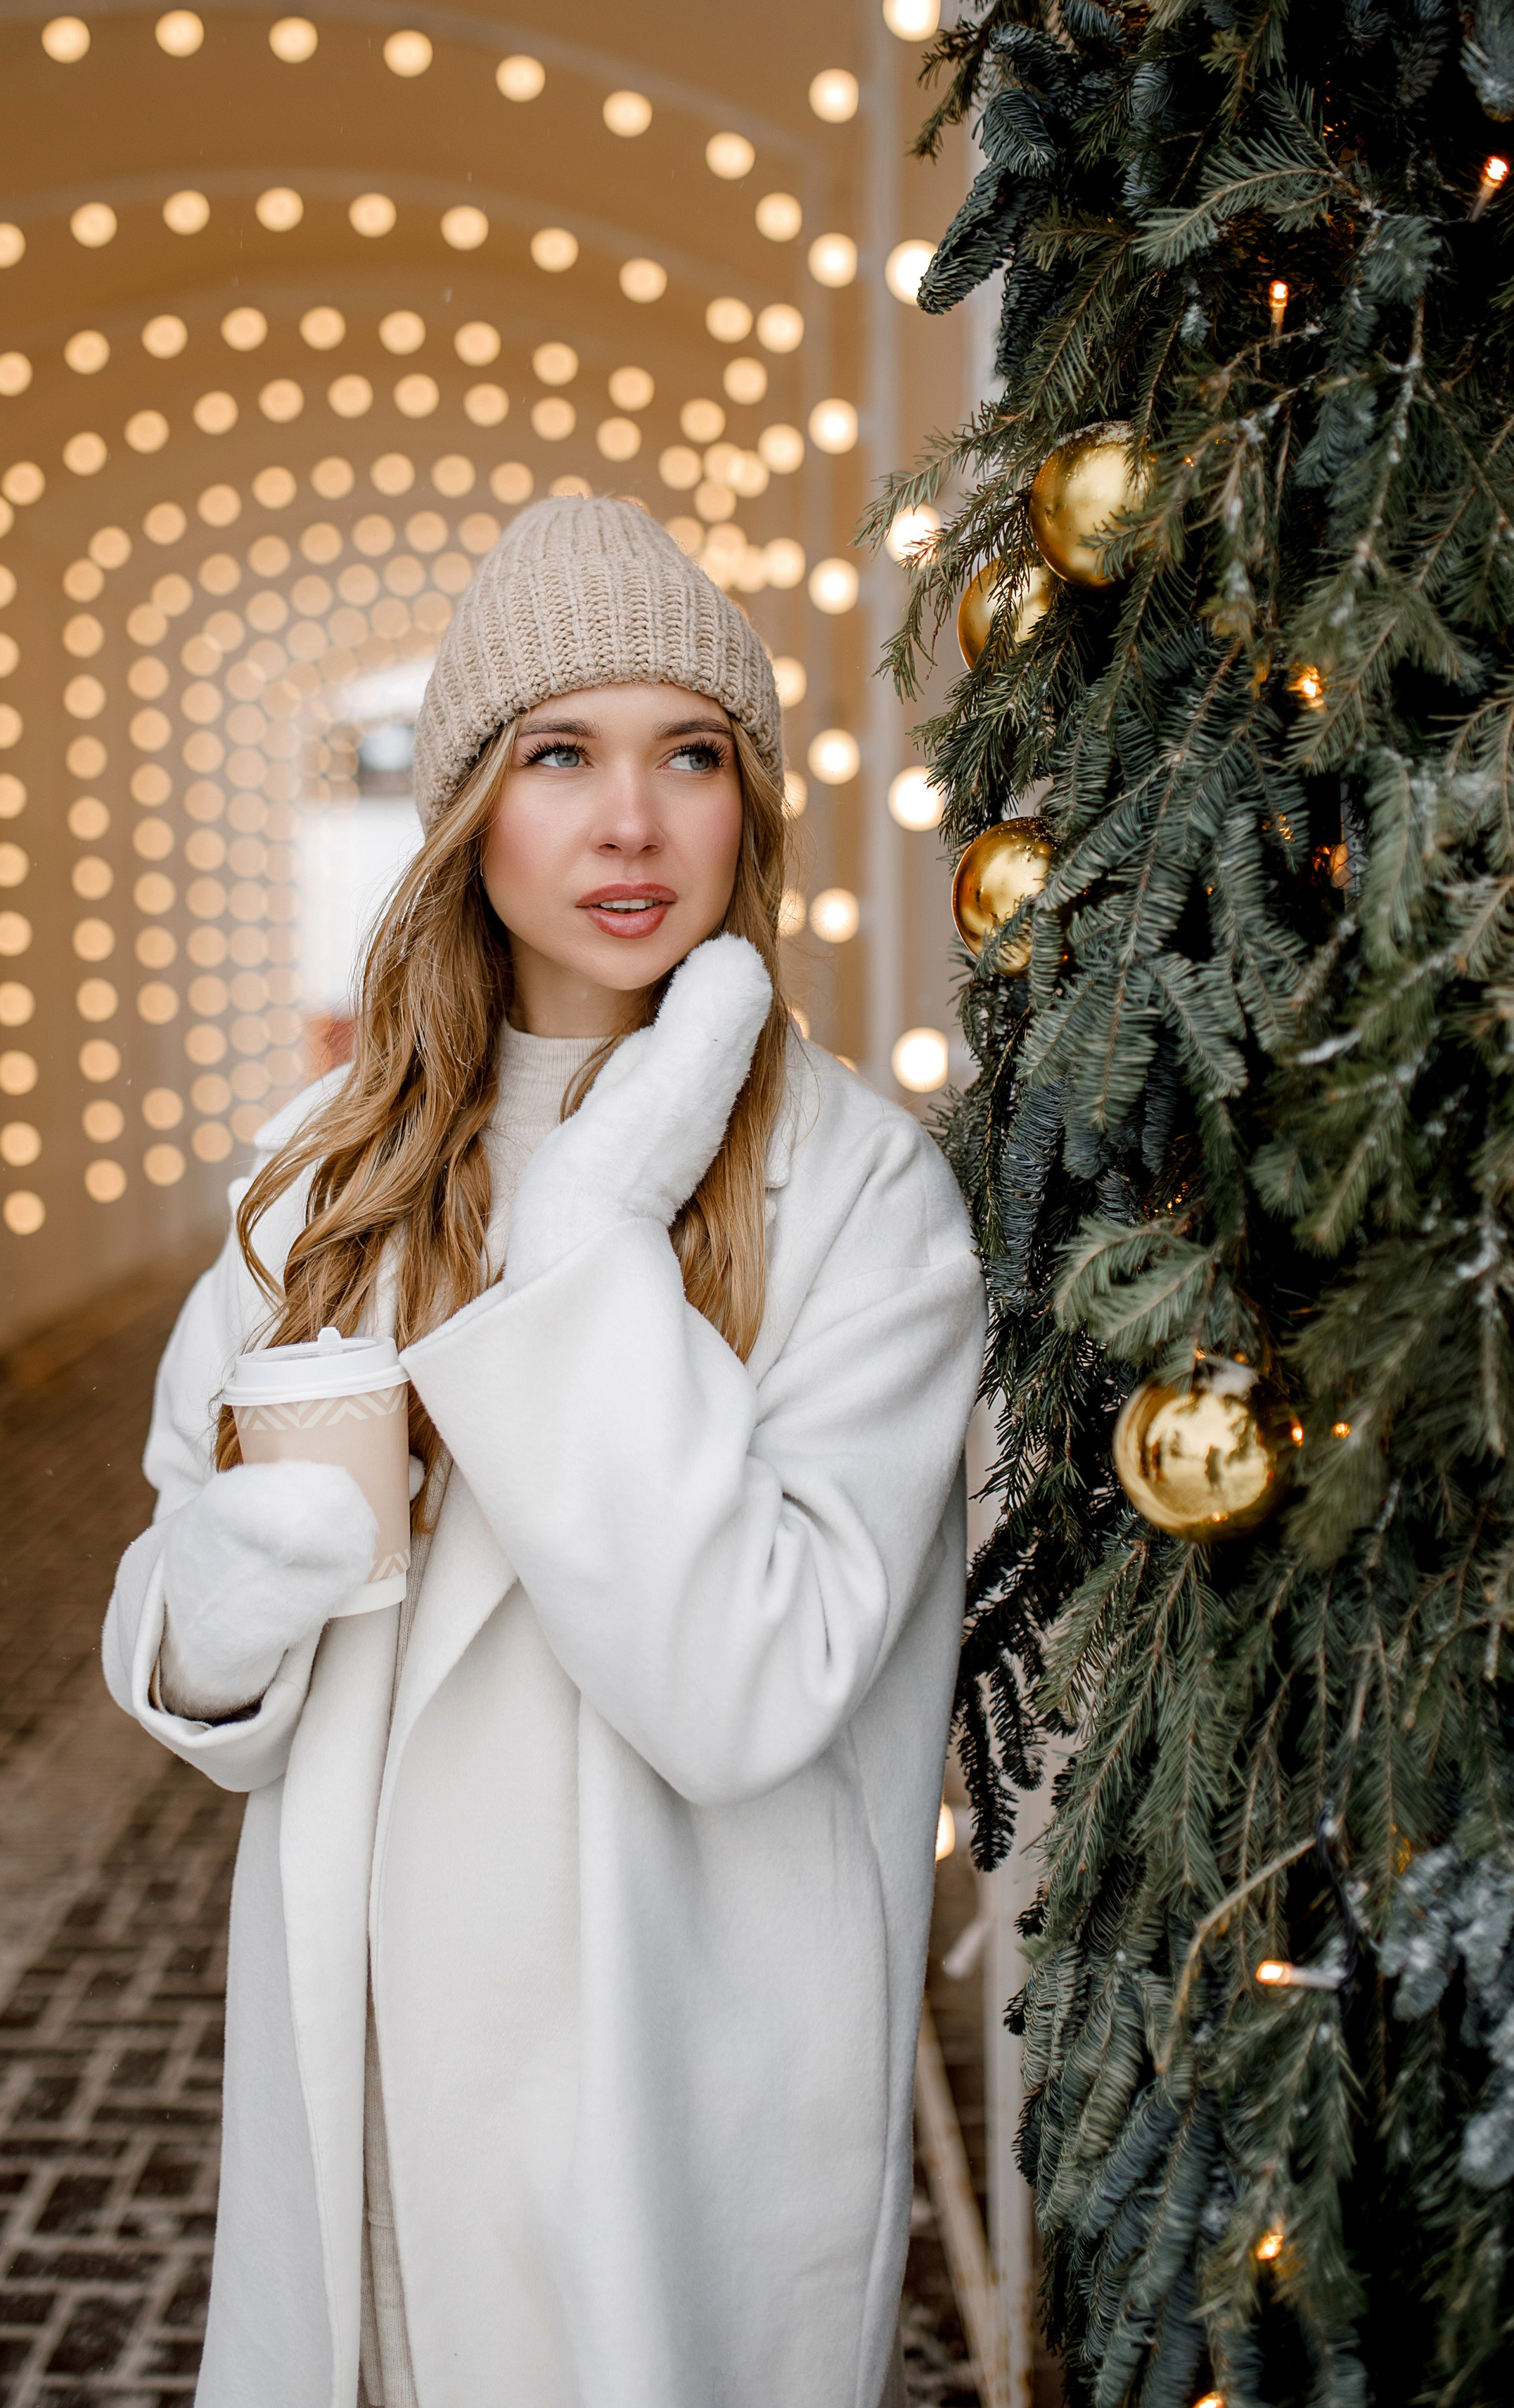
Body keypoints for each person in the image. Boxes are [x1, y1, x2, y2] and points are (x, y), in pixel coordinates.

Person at [102, 496, 984, 2408]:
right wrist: (237, 1601)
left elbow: (755, 1686)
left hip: (661, 2080)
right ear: (471, 809)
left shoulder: (855, 1189)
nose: (630, 825)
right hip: (370, 2070)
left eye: (691, 757)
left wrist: (590, 1245)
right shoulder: (323, 1169)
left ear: (749, 803)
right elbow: (173, 1626)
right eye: (559, 755)